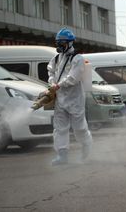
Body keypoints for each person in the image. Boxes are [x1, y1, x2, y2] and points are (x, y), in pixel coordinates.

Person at [47, 28, 93, 165]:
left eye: (62, 43)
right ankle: (62, 155)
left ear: (70, 43)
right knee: (60, 128)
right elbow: (50, 71)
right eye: (58, 43)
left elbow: (73, 78)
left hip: (75, 99)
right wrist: (51, 82)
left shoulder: (77, 58)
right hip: (60, 100)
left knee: (79, 128)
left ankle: (86, 145)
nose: (60, 46)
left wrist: (58, 85)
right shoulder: (56, 58)